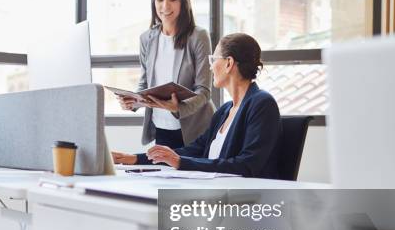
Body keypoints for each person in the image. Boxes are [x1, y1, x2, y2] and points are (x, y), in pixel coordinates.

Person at [113, 33, 281, 179]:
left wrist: (180, 162)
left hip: (243, 200)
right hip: (216, 193)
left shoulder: (261, 104)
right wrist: (133, 158)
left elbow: (246, 165)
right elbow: (194, 150)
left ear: (229, 63)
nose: (210, 66)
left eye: (213, 59)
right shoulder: (224, 111)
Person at [117, 0, 215, 149]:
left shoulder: (198, 36)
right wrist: (133, 101)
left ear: (183, 2)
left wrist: (178, 107)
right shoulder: (147, 38)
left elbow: (204, 91)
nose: (165, 6)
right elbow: (145, 82)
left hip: (195, 130)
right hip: (161, 129)